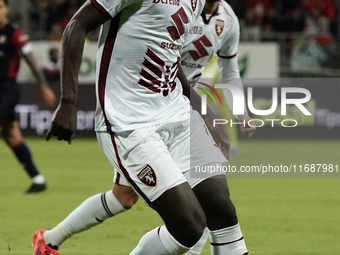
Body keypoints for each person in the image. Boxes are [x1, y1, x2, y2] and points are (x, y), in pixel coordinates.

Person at [32, 0, 249, 254]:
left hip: (177, 113)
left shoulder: (203, 4)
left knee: (222, 211)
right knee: (188, 226)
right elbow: (77, 25)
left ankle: (49, 239)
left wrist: (204, 115)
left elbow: (171, 58)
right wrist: (68, 101)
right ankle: (49, 239)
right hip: (131, 123)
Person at [0, 0, 56, 193]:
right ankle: (38, 179)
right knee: (11, 135)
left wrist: (43, 86)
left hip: (7, 89)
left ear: (7, 9)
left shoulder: (14, 33)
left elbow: (30, 61)